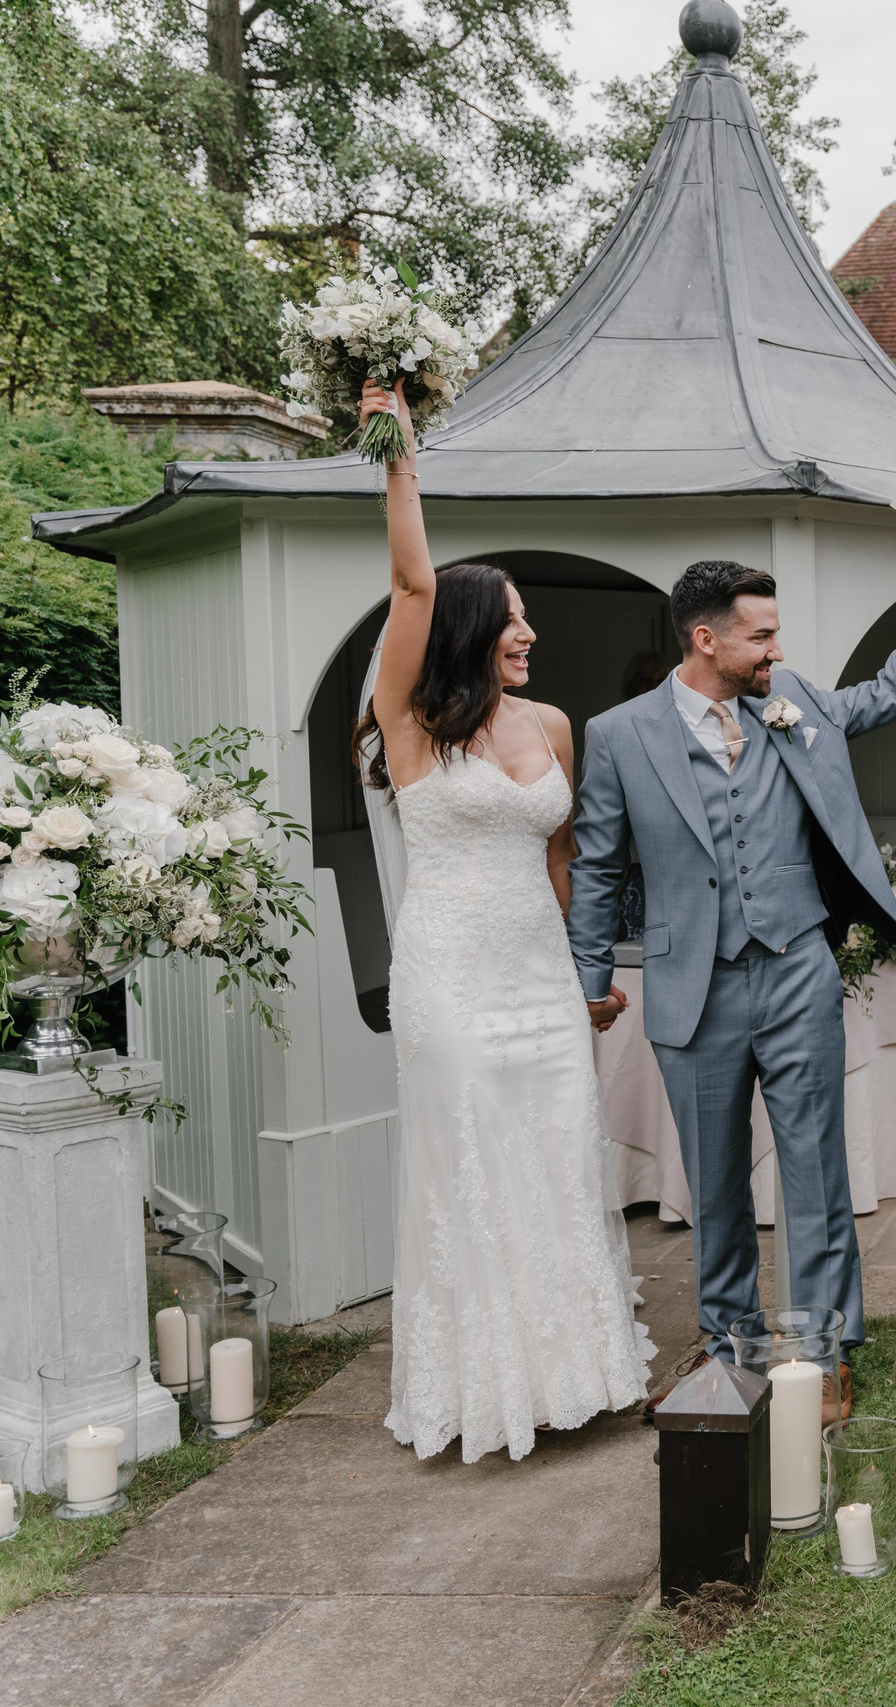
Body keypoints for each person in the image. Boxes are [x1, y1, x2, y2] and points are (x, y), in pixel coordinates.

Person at [566, 529, 896, 1386]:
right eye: (761, 636)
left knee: (816, 1164)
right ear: (706, 640)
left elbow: (894, 692)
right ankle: (731, 1346)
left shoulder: (798, 704)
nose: (777, 650)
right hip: (690, 984)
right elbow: (597, 862)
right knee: (713, 1182)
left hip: (795, 969)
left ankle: (822, 1350)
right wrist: (587, 981)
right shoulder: (619, 735)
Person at [353, 382, 653, 1464]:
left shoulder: (554, 725)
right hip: (450, 981)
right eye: (514, 615)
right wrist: (402, 456)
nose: (529, 630)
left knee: (560, 1163)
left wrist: (588, 975)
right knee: (477, 1166)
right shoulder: (414, 730)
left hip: (536, 979)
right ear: (470, 630)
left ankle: (579, 1376)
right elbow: (411, 579)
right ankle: (487, 1391)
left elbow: (563, 857)